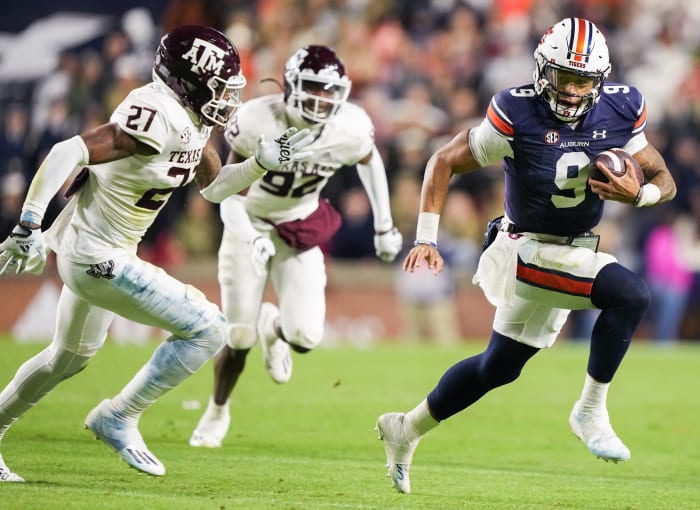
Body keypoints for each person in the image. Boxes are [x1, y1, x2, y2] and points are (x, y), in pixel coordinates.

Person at [375, 17, 677, 494]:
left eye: (584, 80)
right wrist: (426, 238)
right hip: (524, 248)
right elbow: (443, 161)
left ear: (600, 80)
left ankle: (405, 428)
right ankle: (590, 410)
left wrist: (638, 197)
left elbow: (663, 177)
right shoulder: (517, 112)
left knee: (498, 368)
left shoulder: (622, 108)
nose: (574, 91)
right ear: (542, 70)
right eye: (564, 77)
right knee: (631, 295)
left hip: (572, 250)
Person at [0, 25, 314, 482]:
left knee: (67, 359)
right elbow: (70, 149)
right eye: (220, 86)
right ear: (190, 81)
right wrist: (29, 220)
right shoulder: (158, 114)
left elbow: (213, 188)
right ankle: (119, 416)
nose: (228, 97)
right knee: (208, 330)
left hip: (100, 250)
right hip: (97, 256)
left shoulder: (190, 119)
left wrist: (260, 163)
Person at [189, 45, 403, 448]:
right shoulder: (256, 120)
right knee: (237, 337)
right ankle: (217, 410)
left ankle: (273, 327)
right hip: (246, 223)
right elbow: (226, 194)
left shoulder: (350, 126)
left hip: (297, 225)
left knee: (305, 337)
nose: (321, 99)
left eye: (328, 91)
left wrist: (384, 224)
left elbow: (369, 159)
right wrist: (250, 237)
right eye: (313, 88)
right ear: (291, 85)